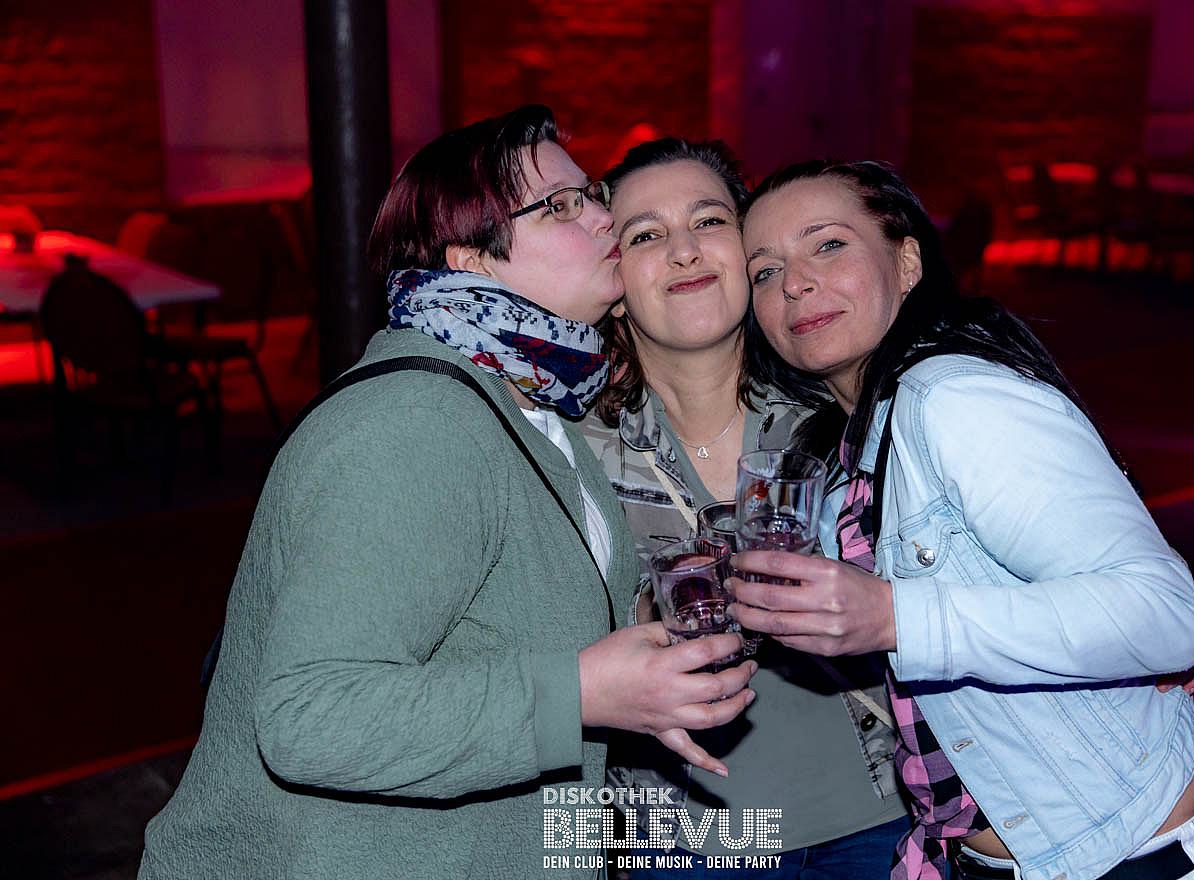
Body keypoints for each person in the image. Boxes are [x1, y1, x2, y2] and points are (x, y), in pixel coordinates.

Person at [137, 106, 755, 880]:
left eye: (593, 194)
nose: (604, 218)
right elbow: (309, 716)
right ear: (471, 263)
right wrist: (579, 694)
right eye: (562, 207)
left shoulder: (536, 409)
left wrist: (638, 662)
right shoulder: (414, 417)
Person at [730, 160, 1194, 880]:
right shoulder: (853, 445)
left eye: (828, 245)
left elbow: (1163, 614)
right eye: (765, 271)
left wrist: (896, 617)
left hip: (1128, 860)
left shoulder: (953, 398)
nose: (794, 283)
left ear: (906, 262)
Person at [581, 138, 912, 878]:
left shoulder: (843, 409)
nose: (685, 251)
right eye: (646, 235)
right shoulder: (570, 454)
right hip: (678, 843)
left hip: (886, 822)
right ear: (614, 281)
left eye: (709, 221)